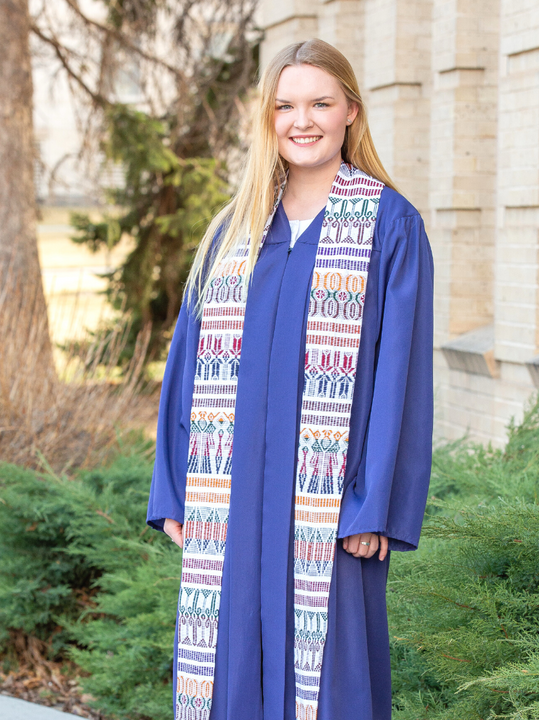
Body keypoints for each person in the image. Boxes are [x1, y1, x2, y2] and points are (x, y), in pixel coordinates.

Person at [146, 38, 433, 720]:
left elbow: (401, 378)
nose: (302, 121)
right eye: (285, 106)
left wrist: (375, 505)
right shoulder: (234, 231)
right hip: (228, 501)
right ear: (267, 118)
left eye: (320, 104)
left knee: (329, 682)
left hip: (332, 508)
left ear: (350, 112)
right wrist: (176, 488)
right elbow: (185, 367)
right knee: (227, 671)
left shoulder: (388, 226)